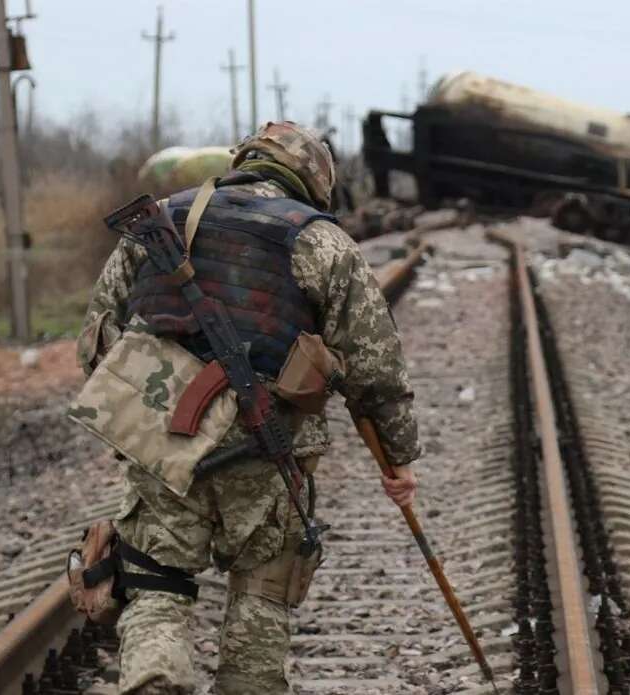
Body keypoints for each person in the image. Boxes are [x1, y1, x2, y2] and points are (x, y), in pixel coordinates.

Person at [75, 121, 421, 694]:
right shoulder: (322, 241)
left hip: (163, 436)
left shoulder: (159, 218)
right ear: (311, 182)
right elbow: (375, 366)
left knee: (156, 585)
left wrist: (145, 407)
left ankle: (155, 677)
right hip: (266, 445)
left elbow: (98, 337)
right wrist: (398, 461)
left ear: (244, 161)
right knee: (262, 595)